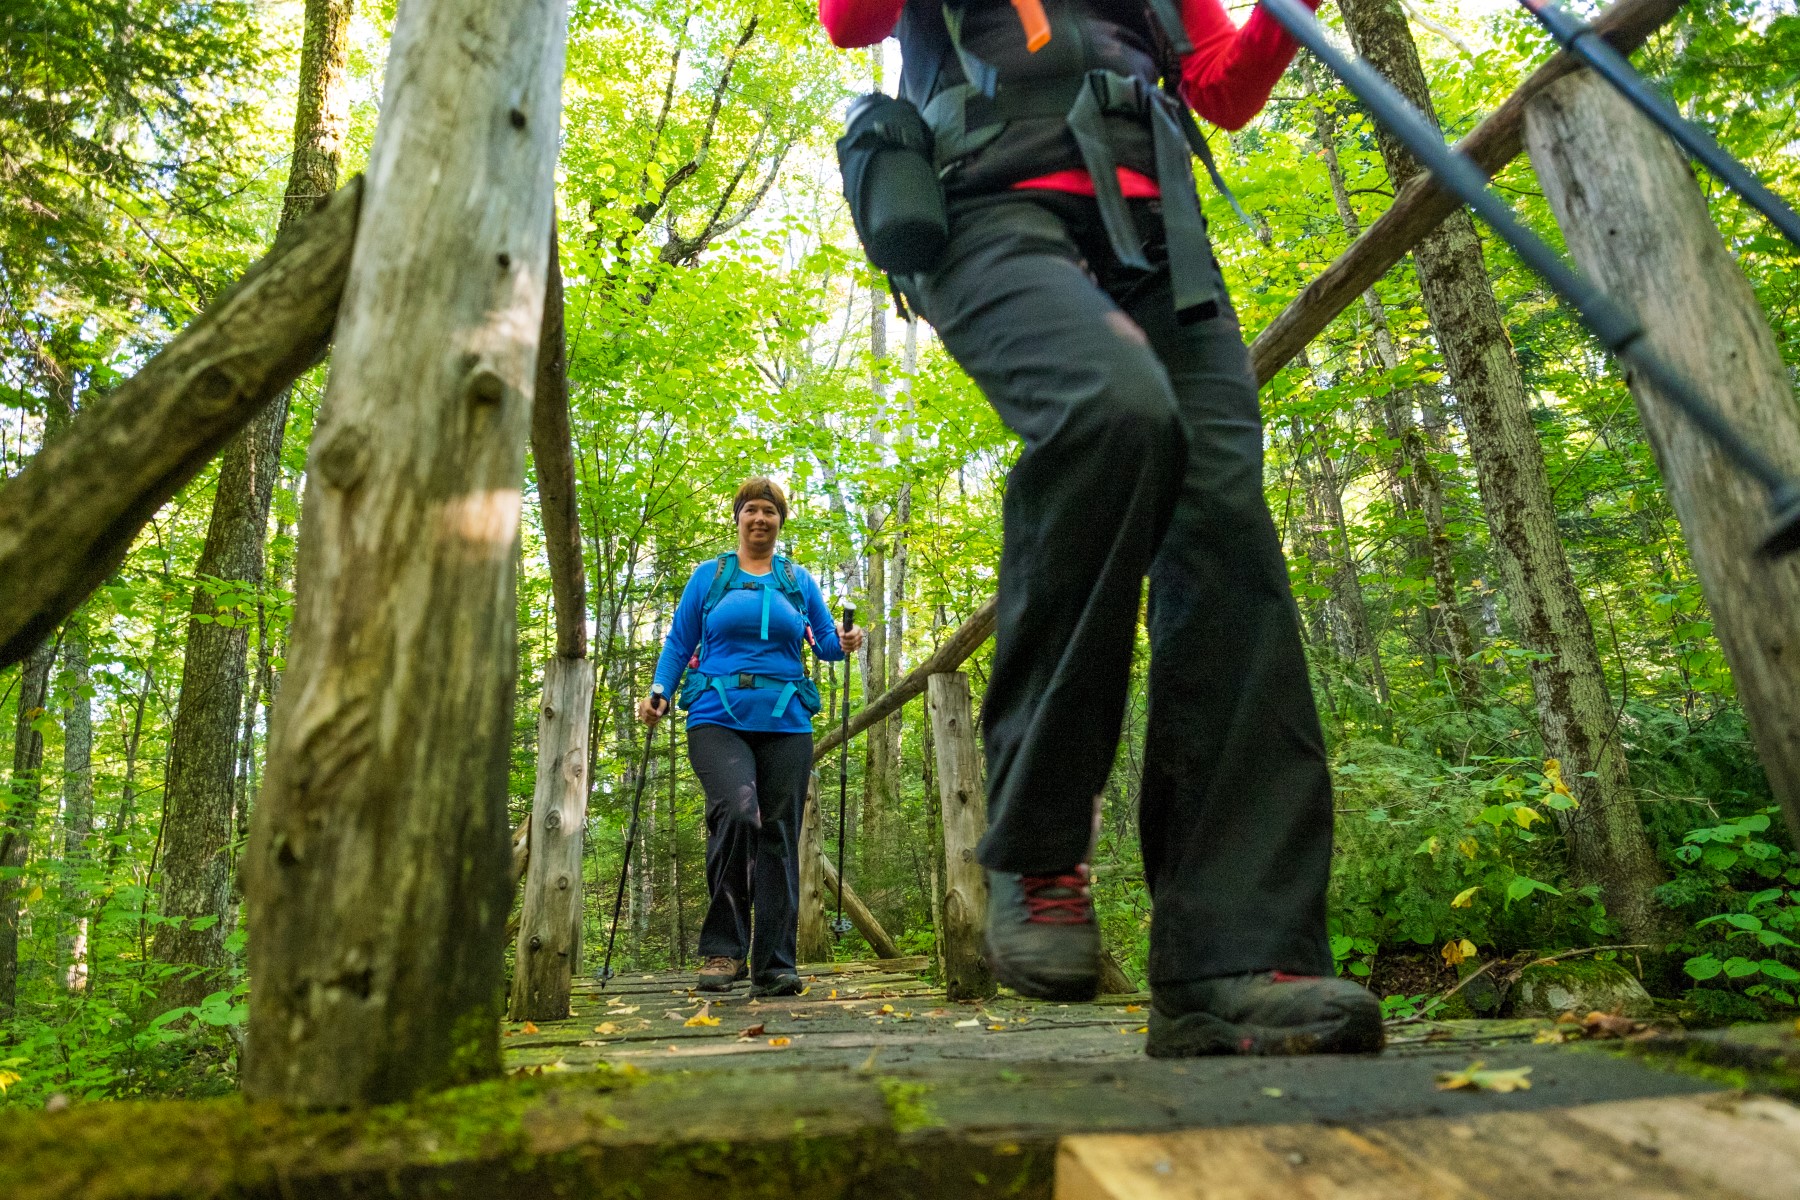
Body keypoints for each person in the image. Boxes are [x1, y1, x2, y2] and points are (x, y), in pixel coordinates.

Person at [818, 0, 1383, 1054]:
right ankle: (1036, 842)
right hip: (985, 212)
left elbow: (1220, 86)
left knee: (1227, 542)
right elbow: (851, 21)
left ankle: (1233, 961)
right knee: (1112, 411)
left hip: (1160, 233)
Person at [640, 477, 864, 997]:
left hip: (787, 720)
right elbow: (679, 642)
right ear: (738, 518)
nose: (760, 519)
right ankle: (724, 950)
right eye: (751, 511)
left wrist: (847, 640)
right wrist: (659, 690)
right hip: (716, 715)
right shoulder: (709, 577)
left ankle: (775, 965)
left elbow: (827, 644)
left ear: (780, 522)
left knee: (779, 833)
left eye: (769, 512)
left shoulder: (797, 581)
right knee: (739, 814)